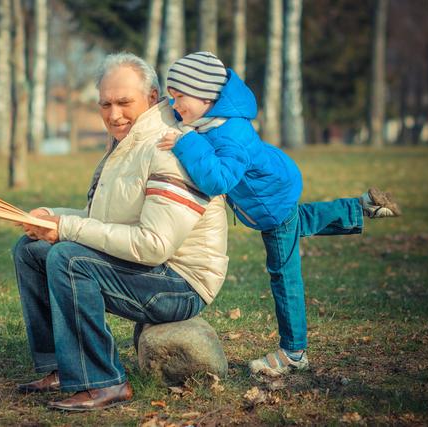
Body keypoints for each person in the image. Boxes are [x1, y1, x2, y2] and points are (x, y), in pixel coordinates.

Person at [157, 51, 401, 377]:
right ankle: (360, 207)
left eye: (179, 97)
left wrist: (185, 142)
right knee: (301, 221)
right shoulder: (208, 119)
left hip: (271, 201)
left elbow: (218, 179)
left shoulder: (230, 133)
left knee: (284, 275)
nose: (174, 106)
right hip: (276, 190)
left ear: (204, 95)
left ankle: (294, 351)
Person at [12, 52, 229, 411]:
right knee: (31, 250)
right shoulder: (125, 144)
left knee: (68, 258)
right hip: (148, 268)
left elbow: (154, 245)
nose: (114, 114)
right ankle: (59, 368)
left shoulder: (169, 146)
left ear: (154, 96)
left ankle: (104, 382)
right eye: (105, 104)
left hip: (181, 282)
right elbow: (105, 218)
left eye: (124, 102)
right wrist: (51, 218)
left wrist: (66, 228)